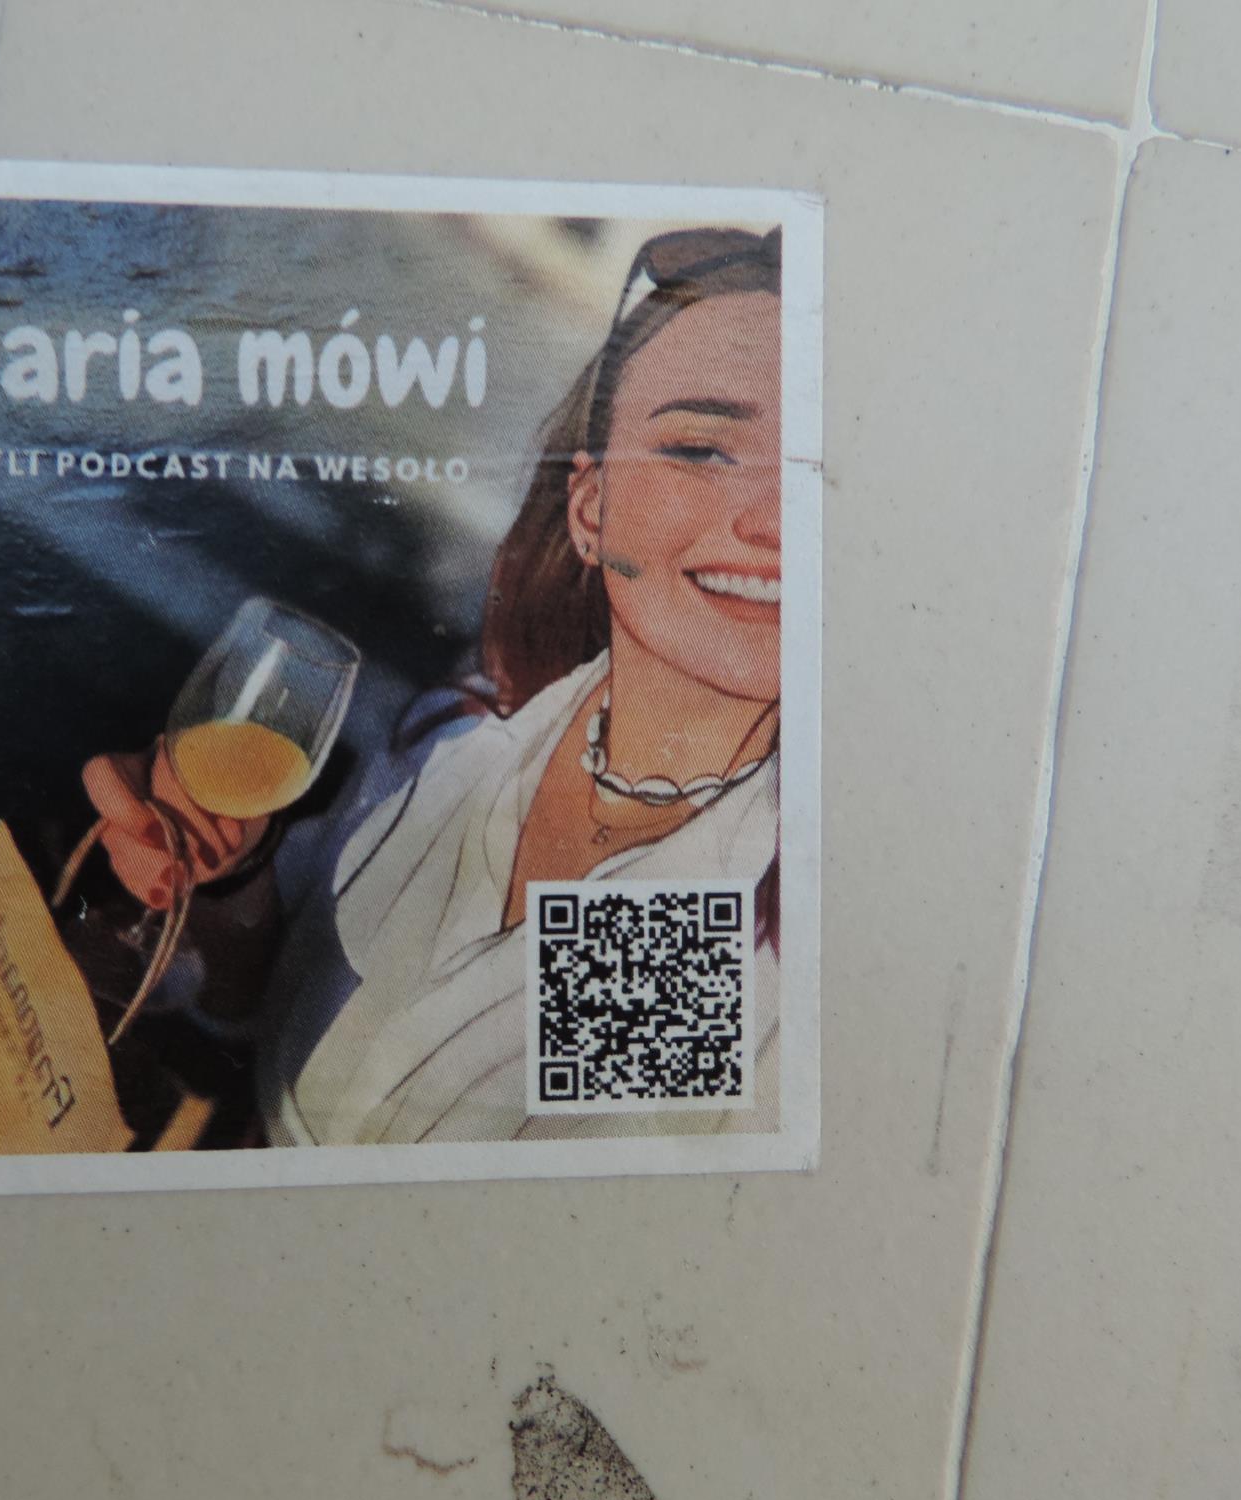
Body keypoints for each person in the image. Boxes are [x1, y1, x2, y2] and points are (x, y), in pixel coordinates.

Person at [82, 226, 785, 1146]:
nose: (774, 519)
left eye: (818, 474)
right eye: (703, 450)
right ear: (591, 505)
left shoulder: (763, 924)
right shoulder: (478, 717)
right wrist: (225, 877)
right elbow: (283, 1023)